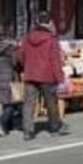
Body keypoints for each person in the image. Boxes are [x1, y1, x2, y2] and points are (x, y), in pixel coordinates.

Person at [18, 10, 68, 140]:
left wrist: (26, 66)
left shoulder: (27, 37)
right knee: (51, 103)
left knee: (28, 103)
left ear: (37, 22)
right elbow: (55, 60)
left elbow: (20, 56)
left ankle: (28, 131)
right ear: (50, 22)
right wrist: (60, 79)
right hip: (47, 75)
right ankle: (54, 128)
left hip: (30, 74)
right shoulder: (51, 39)